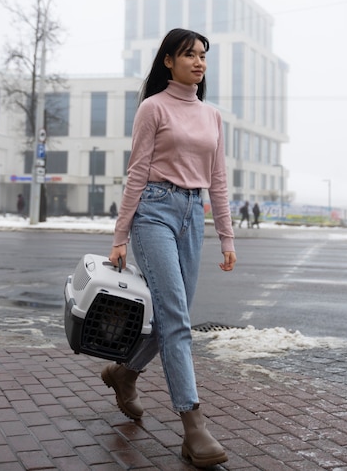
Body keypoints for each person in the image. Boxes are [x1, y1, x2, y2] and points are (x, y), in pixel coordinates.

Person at [101, 28, 236, 468]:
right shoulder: (152, 108)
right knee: (177, 317)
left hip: (192, 216)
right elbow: (136, 173)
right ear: (168, 61)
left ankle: (123, 374)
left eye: (202, 56)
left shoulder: (213, 116)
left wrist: (226, 236)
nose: (198, 62)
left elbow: (217, 181)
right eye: (189, 55)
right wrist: (120, 236)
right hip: (154, 212)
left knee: (169, 319)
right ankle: (193, 425)